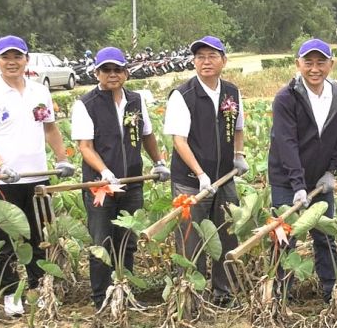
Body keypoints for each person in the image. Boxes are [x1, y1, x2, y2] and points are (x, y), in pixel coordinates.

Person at [0, 35, 76, 317]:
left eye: (17, 57)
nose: (11, 62)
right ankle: (9, 295)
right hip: (3, 180)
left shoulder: (38, 92)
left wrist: (63, 158)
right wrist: (2, 165)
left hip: (37, 178)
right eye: (5, 57)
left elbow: (50, 129)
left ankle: (41, 288)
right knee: (5, 239)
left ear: (26, 60)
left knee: (39, 236)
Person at [73, 46, 168, 309]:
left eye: (117, 69)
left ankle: (125, 293)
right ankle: (101, 299)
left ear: (126, 72)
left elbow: (147, 135)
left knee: (127, 242)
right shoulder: (86, 105)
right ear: (97, 73)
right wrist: (104, 172)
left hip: (132, 183)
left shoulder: (136, 100)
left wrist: (158, 162)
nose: (112, 74)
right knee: (102, 242)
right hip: (100, 186)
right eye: (107, 70)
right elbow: (85, 147)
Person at [267, 38, 337, 303]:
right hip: (286, 179)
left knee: (325, 235)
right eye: (308, 63)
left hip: (320, 180)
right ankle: (281, 295)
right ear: (298, 64)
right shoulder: (286, 97)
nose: (314, 69)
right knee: (284, 236)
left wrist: (331, 170)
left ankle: (331, 291)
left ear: (331, 64)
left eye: (320, 63)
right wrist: (297, 185)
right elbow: (286, 142)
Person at [163, 36, 246, 306]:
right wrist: (200, 174)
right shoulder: (183, 95)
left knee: (226, 235)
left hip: (223, 179)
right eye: (200, 57)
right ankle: (192, 297)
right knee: (192, 239)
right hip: (190, 181)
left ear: (224, 60)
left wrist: (238, 155)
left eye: (211, 56)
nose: (205, 62)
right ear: (193, 62)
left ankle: (225, 295)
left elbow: (238, 128)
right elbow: (179, 140)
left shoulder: (231, 92)